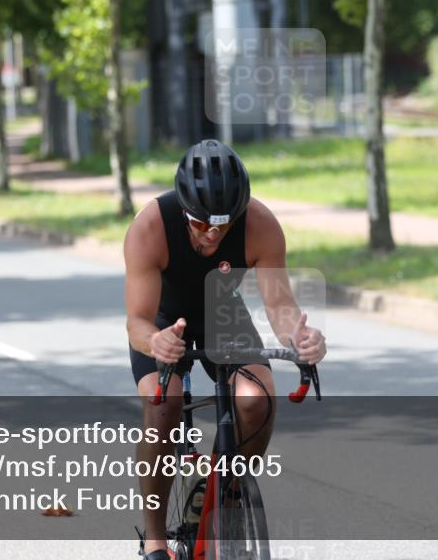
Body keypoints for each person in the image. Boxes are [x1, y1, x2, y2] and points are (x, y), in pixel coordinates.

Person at [124, 139, 327, 559]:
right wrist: (156, 342)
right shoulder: (150, 228)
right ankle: (156, 539)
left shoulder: (260, 224)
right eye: (202, 224)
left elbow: (280, 305)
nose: (214, 233)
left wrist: (300, 339)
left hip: (222, 312)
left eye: (225, 224)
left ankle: (225, 492)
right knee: (164, 403)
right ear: (184, 210)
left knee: (256, 398)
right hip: (164, 318)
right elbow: (137, 322)